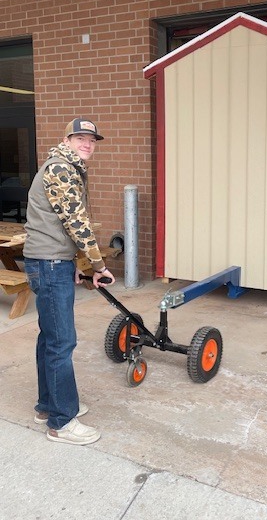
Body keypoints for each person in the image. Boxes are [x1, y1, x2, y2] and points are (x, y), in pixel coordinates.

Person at [23, 118, 115, 444]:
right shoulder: (60, 169)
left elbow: (61, 224)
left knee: (50, 338)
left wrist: (74, 263)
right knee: (61, 342)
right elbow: (77, 222)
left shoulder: (66, 166)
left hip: (50, 261)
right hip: (48, 264)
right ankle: (62, 422)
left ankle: (48, 406)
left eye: (91, 139)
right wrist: (97, 265)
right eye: (80, 137)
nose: (87, 144)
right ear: (67, 139)